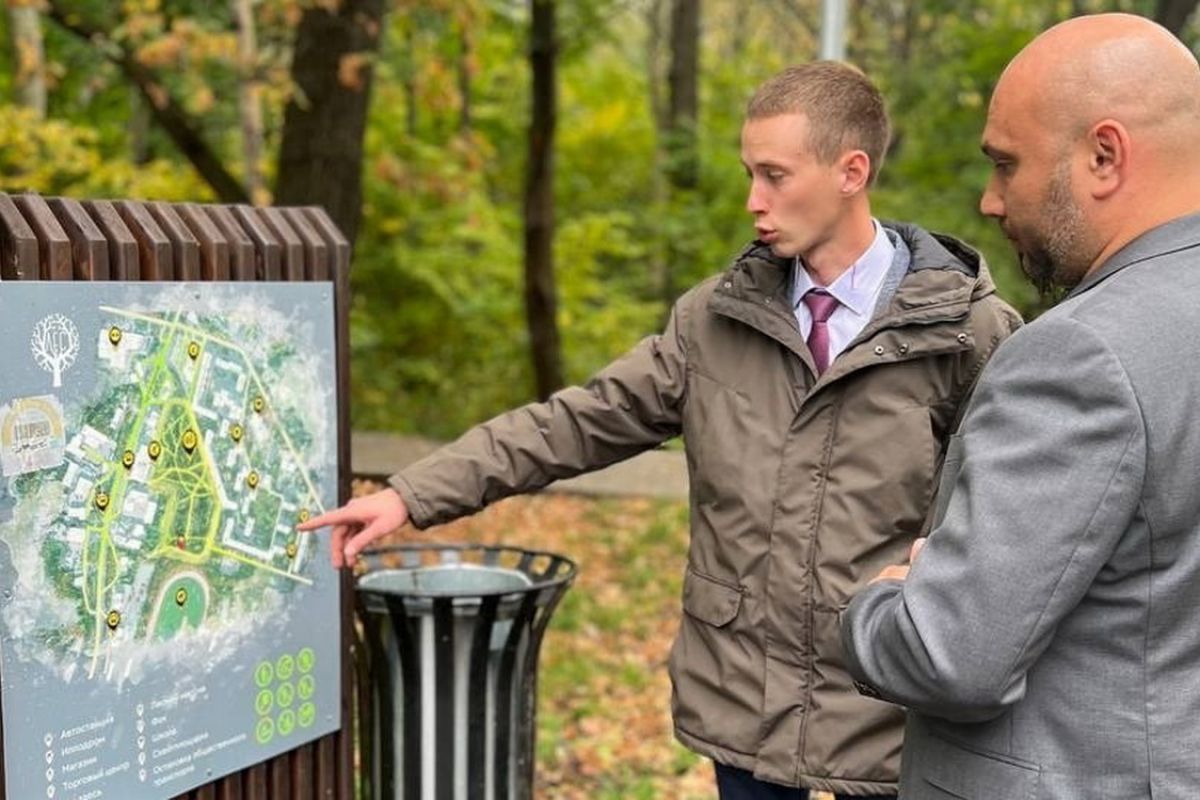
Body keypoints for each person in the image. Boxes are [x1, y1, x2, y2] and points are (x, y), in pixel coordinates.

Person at [302, 62, 1019, 798]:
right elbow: (574, 422)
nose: (753, 201)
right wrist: (410, 496)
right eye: (749, 174)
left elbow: (1007, 529)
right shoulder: (714, 321)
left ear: (851, 171)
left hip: (892, 717)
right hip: (744, 711)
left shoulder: (969, 333)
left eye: (774, 175)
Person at [840, 13, 1200, 799]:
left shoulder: (1081, 355)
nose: (991, 200)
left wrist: (876, 602)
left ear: (1104, 156)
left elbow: (948, 653)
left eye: (1007, 165)